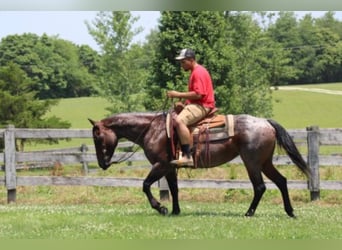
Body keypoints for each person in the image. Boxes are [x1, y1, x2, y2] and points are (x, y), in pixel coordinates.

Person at [167, 48, 216, 166]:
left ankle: (187, 156)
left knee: (179, 121)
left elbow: (199, 94)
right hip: (198, 104)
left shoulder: (198, 72)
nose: (181, 64)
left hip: (203, 105)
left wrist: (177, 94)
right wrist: (184, 105)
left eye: (183, 61)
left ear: (191, 60)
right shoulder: (196, 71)